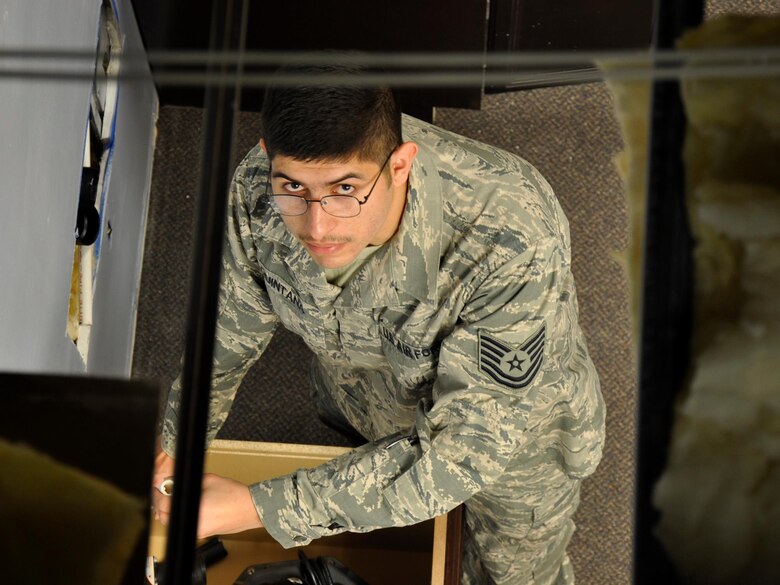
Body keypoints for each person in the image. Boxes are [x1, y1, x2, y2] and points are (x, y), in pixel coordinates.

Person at [152, 62, 605, 585]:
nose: (317, 225)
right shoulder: (258, 187)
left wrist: (259, 508)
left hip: (510, 444)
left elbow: (461, 454)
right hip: (365, 398)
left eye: (346, 189)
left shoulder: (510, 235)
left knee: (515, 569)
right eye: (292, 188)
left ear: (400, 165)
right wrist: (177, 440)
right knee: (380, 503)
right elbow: (228, 330)